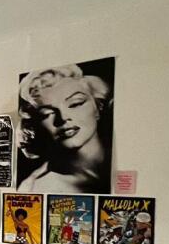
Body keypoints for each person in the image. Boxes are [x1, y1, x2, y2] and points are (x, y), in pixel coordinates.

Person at [17, 64, 112, 193]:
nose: (62, 118)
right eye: (47, 114)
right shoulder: (35, 188)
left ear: (98, 106)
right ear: (36, 125)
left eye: (75, 104)